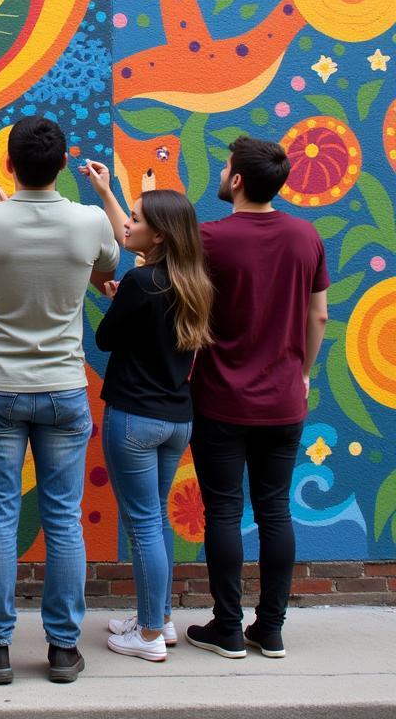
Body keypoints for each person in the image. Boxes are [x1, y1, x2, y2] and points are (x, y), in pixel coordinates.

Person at [0, 117, 119, 685]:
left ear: (9, 166)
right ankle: (64, 649)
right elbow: (110, 267)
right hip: (64, 388)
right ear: (64, 164)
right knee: (64, 519)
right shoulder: (90, 221)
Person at [184, 136, 328, 660]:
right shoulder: (305, 236)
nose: (222, 174)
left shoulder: (210, 238)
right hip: (285, 402)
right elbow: (319, 316)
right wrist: (304, 373)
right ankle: (270, 629)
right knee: (275, 510)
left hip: (220, 400)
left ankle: (227, 627)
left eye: (225, 168)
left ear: (237, 180)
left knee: (223, 511)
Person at [81, 164, 213, 663]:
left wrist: (118, 301)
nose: (127, 225)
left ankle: (151, 633)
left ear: (157, 234)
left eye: (134, 219)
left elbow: (106, 339)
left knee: (142, 524)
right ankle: (155, 618)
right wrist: (125, 299)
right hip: (177, 419)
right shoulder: (193, 281)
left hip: (134, 417)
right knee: (153, 519)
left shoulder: (140, 281)